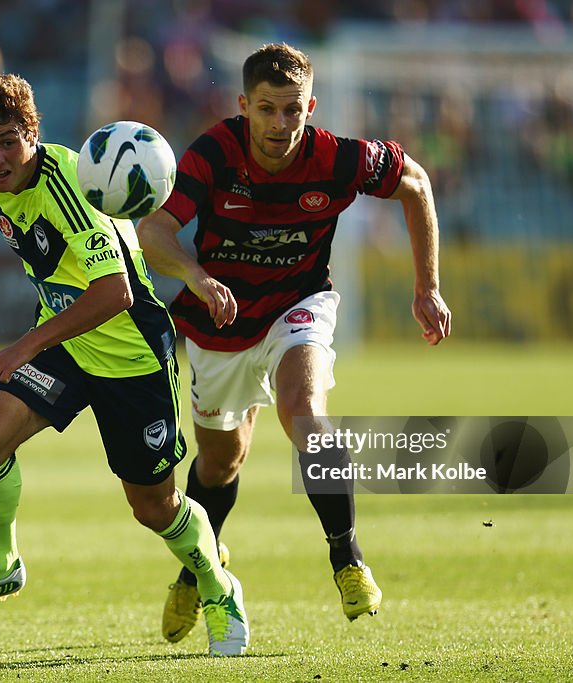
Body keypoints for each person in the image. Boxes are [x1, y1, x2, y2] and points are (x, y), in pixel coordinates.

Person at [136, 43, 451, 643]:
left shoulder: (337, 158)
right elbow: (155, 229)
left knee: (305, 415)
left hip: (297, 306)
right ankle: (195, 573)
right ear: (243, 107)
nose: (280, 124)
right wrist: (197, 276)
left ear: (311, 106)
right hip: (218, 321)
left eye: (291, 110)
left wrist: (427, 288)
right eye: (266, 110)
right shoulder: (214, 152)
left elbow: (415, 182)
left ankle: (348, 559)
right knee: (220, 461)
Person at [0, 73, 248, 657]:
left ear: (33, 131)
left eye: (7, 141)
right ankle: (0, 568)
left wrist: (23, 346)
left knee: (153, 508)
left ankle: (218, 586)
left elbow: (115, 293)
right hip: (68, 346)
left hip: (129, 352)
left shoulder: (73, 188)